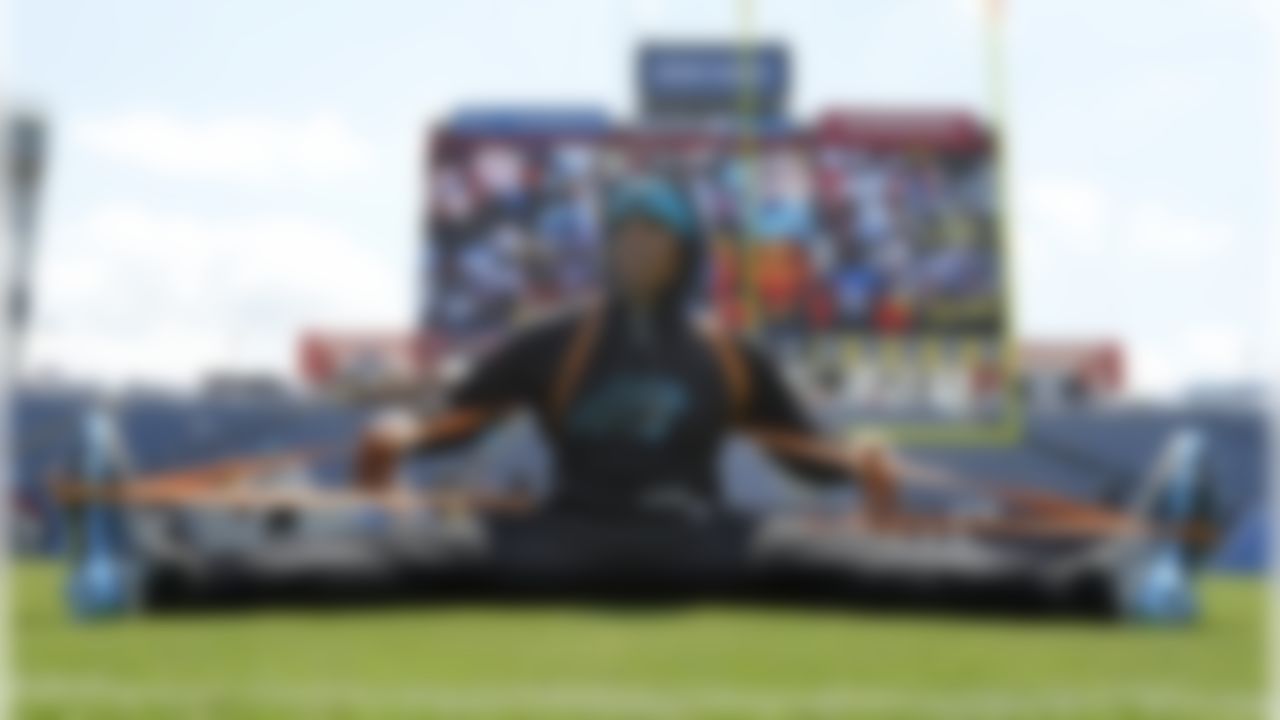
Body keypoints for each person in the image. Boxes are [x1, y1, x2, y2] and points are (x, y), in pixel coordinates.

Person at [356, 177, 897, 524]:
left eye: (652, 232)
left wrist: (859, 459)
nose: (635, 244)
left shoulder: (730, 357)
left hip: (696, 544)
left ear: (682, 251)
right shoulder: (554, 342)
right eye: (623, 232)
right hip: (569, 539)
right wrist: (402, 432)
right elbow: (458, 416)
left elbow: (806, 455)